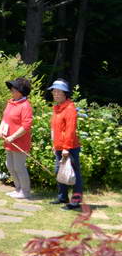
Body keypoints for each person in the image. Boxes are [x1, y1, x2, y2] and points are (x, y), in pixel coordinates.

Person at [49, 79, 83, 210]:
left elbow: (70, 130)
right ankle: (63, 197)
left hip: (70, 147)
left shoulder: (70, 109)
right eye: (54, 91)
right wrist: (55, 144)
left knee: (74, 174)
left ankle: (75, 201)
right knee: (59, 171)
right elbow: (56, 128)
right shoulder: (57, 108)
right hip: (59, 146)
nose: (55, 94)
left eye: (58, 92)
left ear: (65, 93)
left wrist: (66, 148)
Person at [0, 77, 33, 200]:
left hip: (20, 142)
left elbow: (26, 126)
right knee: (10, 166)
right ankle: (18, 189)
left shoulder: (25, 105)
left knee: (19, 167)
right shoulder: (11, 102)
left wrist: (13, 136)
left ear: (21, 91)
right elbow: (5, 118)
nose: (11, 90)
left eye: (14, 89)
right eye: (12, 88)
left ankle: (25, 191)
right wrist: (0, 129)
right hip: (8, 141)